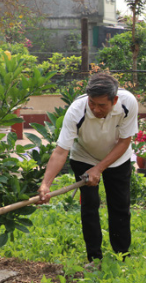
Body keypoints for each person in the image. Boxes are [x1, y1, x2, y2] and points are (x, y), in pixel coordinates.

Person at [38, 73, 139, 266]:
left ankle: (121, 256)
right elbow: (61, 152)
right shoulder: (76, 110)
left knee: (120, 207)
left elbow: (125, 141)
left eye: (102, 105)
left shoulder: (128, 103)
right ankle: (94, 258)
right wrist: (46, 185)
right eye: (92, 103)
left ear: (115, 100)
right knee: (89, 206)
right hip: (84, 157)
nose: (95, 109)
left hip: (117, 158)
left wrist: (99, 168)